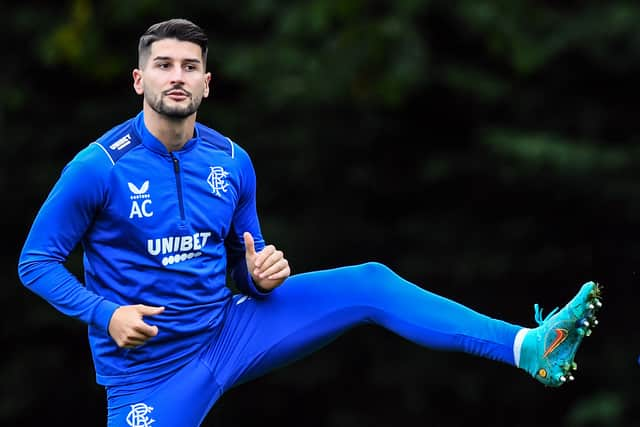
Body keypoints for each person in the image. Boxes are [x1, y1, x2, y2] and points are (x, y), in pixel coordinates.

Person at [18, 18, 603, 427]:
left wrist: (261, 273)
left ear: (206, 83)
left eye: (190, 66)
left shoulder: (231, 161)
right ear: (139, 81)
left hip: (229, 333)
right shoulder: (98, 167)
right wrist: (106, 313)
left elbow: (251, 262)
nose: (178, 75)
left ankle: (527, 347)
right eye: (163, 65)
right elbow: (35, 262)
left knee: (370, 280)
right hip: (150, 377)